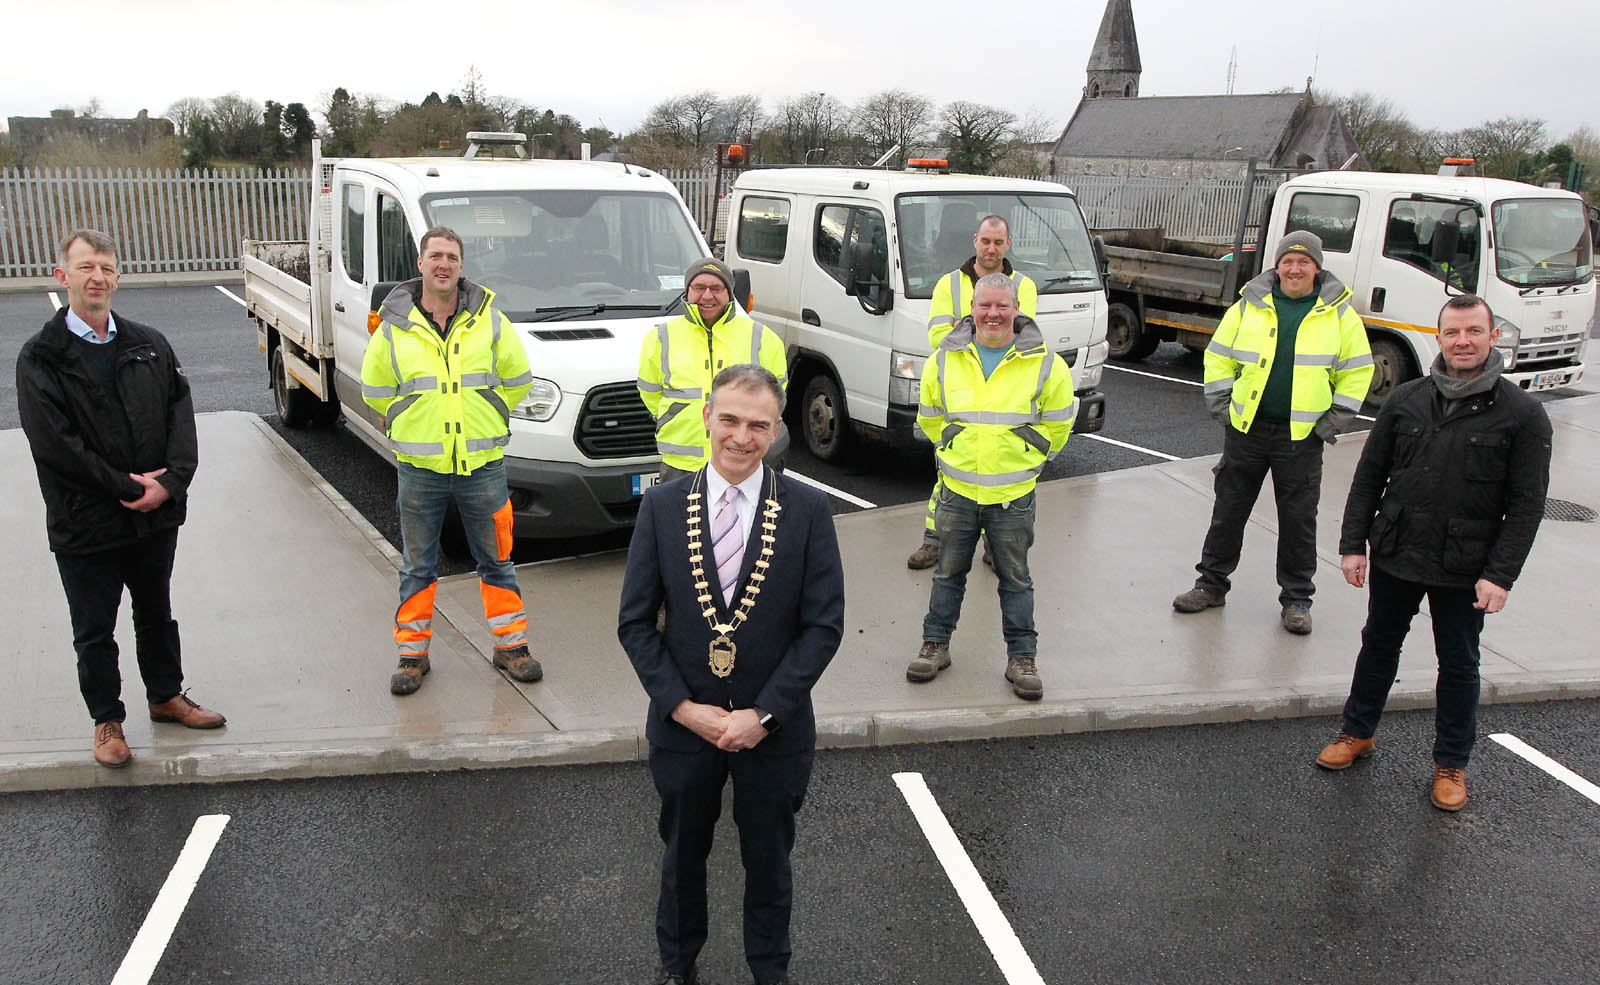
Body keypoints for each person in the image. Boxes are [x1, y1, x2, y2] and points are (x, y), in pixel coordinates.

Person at [618, 364, 845, 985]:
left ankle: (770, 970)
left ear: (776, 432)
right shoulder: (663, 508)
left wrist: (764, 714)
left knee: (769, 863)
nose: (742, 437)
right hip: (684, 727)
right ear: (706, 419)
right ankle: (677, 965)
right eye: (730, 420)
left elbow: (822, 627)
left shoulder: (807, 509)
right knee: (681, 858)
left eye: (758, 425)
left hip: (773, 732)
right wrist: (682, 708)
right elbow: (635, 624)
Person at [1316, 295, 1552, 812]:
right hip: (1398, 550)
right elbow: (1369, 477)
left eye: (1473, 331)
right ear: (1438, 337)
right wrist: (1352, 544)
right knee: (1378, 644)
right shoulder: (1406, 399)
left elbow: (1527, 505)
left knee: (1459, 663)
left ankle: (1451, 764)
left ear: (1492, 337)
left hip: (1466, 566)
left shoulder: (1523, 415)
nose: (1462, 341)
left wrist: (1501, 575)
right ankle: (1357, 732)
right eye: (1452, 332)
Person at [16, 229, 224, 768]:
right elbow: (56, 446)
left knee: (157, 613)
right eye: (85, 267)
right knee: (94, 629)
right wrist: (131, 487)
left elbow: (181, 415)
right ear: (62, 277)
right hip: (85, 522)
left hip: (154, 518)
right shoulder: (41, 357)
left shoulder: (148, 343)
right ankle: (107, 720)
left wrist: (171, 483)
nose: (97, 277)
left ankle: (165, 696)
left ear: (117, 276)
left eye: (105, 267)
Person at [361, 226, 540, 695]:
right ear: (420, 264)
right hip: (421, 468)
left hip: (483, 463)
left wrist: (493, 410)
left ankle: (511, 647)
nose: (444, 265)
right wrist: (400, 417)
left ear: (461, 267)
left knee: (497, 560)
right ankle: (412, 656)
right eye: (435, 256)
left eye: (452, 258)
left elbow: (518, 379)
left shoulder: (490, 320)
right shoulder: (394, 325)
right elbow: (374, 388)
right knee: (418, 565)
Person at [1172, 231, 1374, 634]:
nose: (1294, 269)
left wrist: (1331, 423)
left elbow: (1357, 371)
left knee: (1299, 520)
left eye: (1304, 262)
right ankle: (1210, 584)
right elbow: (1218, 356)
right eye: (1288, 261)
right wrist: (1222, 406)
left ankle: (1297, 598)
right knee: (1228, 512)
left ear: (1317, 268)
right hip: (1247, 430)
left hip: (1302, 437)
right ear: (1277, 265)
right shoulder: (1250, 305)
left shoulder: (1338, 313)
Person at [908, 274, 1075, 700]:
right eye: (985, 306)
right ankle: (936, 646)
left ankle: (1022, 658)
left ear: (1017, 309)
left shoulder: (1045, 363)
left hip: (1012, 495)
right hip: (958, 490)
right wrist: (950, 446)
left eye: (1002, 306)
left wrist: (1030, 457)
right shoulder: (944, 360)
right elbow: (930, 415)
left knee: (1015, 579)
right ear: (973, 308)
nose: (993, 314)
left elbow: (1058, 424)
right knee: (947, 574)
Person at [908, 215, 1040, 569]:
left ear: (1008, 244)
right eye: (985, 241)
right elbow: (938, 338)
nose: (991, 248)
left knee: (1000, 476)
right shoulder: (948, 284)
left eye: (998, 242)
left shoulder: (1024, 284)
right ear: (975, 241)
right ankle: (934, 541)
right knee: (949, 474)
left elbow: (1017, 332)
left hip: (1006, 387)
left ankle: (996, 548)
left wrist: (964, 327)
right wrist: (982, 331)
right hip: (959, 386)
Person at [637, 257, 788, 482]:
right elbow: (650, 392)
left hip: (741, 461)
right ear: (687, 292)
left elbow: (775, 398)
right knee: (679, 518)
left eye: (716, 288)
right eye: (699, 287)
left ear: (729, 293)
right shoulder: (660, 338)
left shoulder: (763, 337)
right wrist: (674, 415)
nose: (707, 296)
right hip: (681, 464)